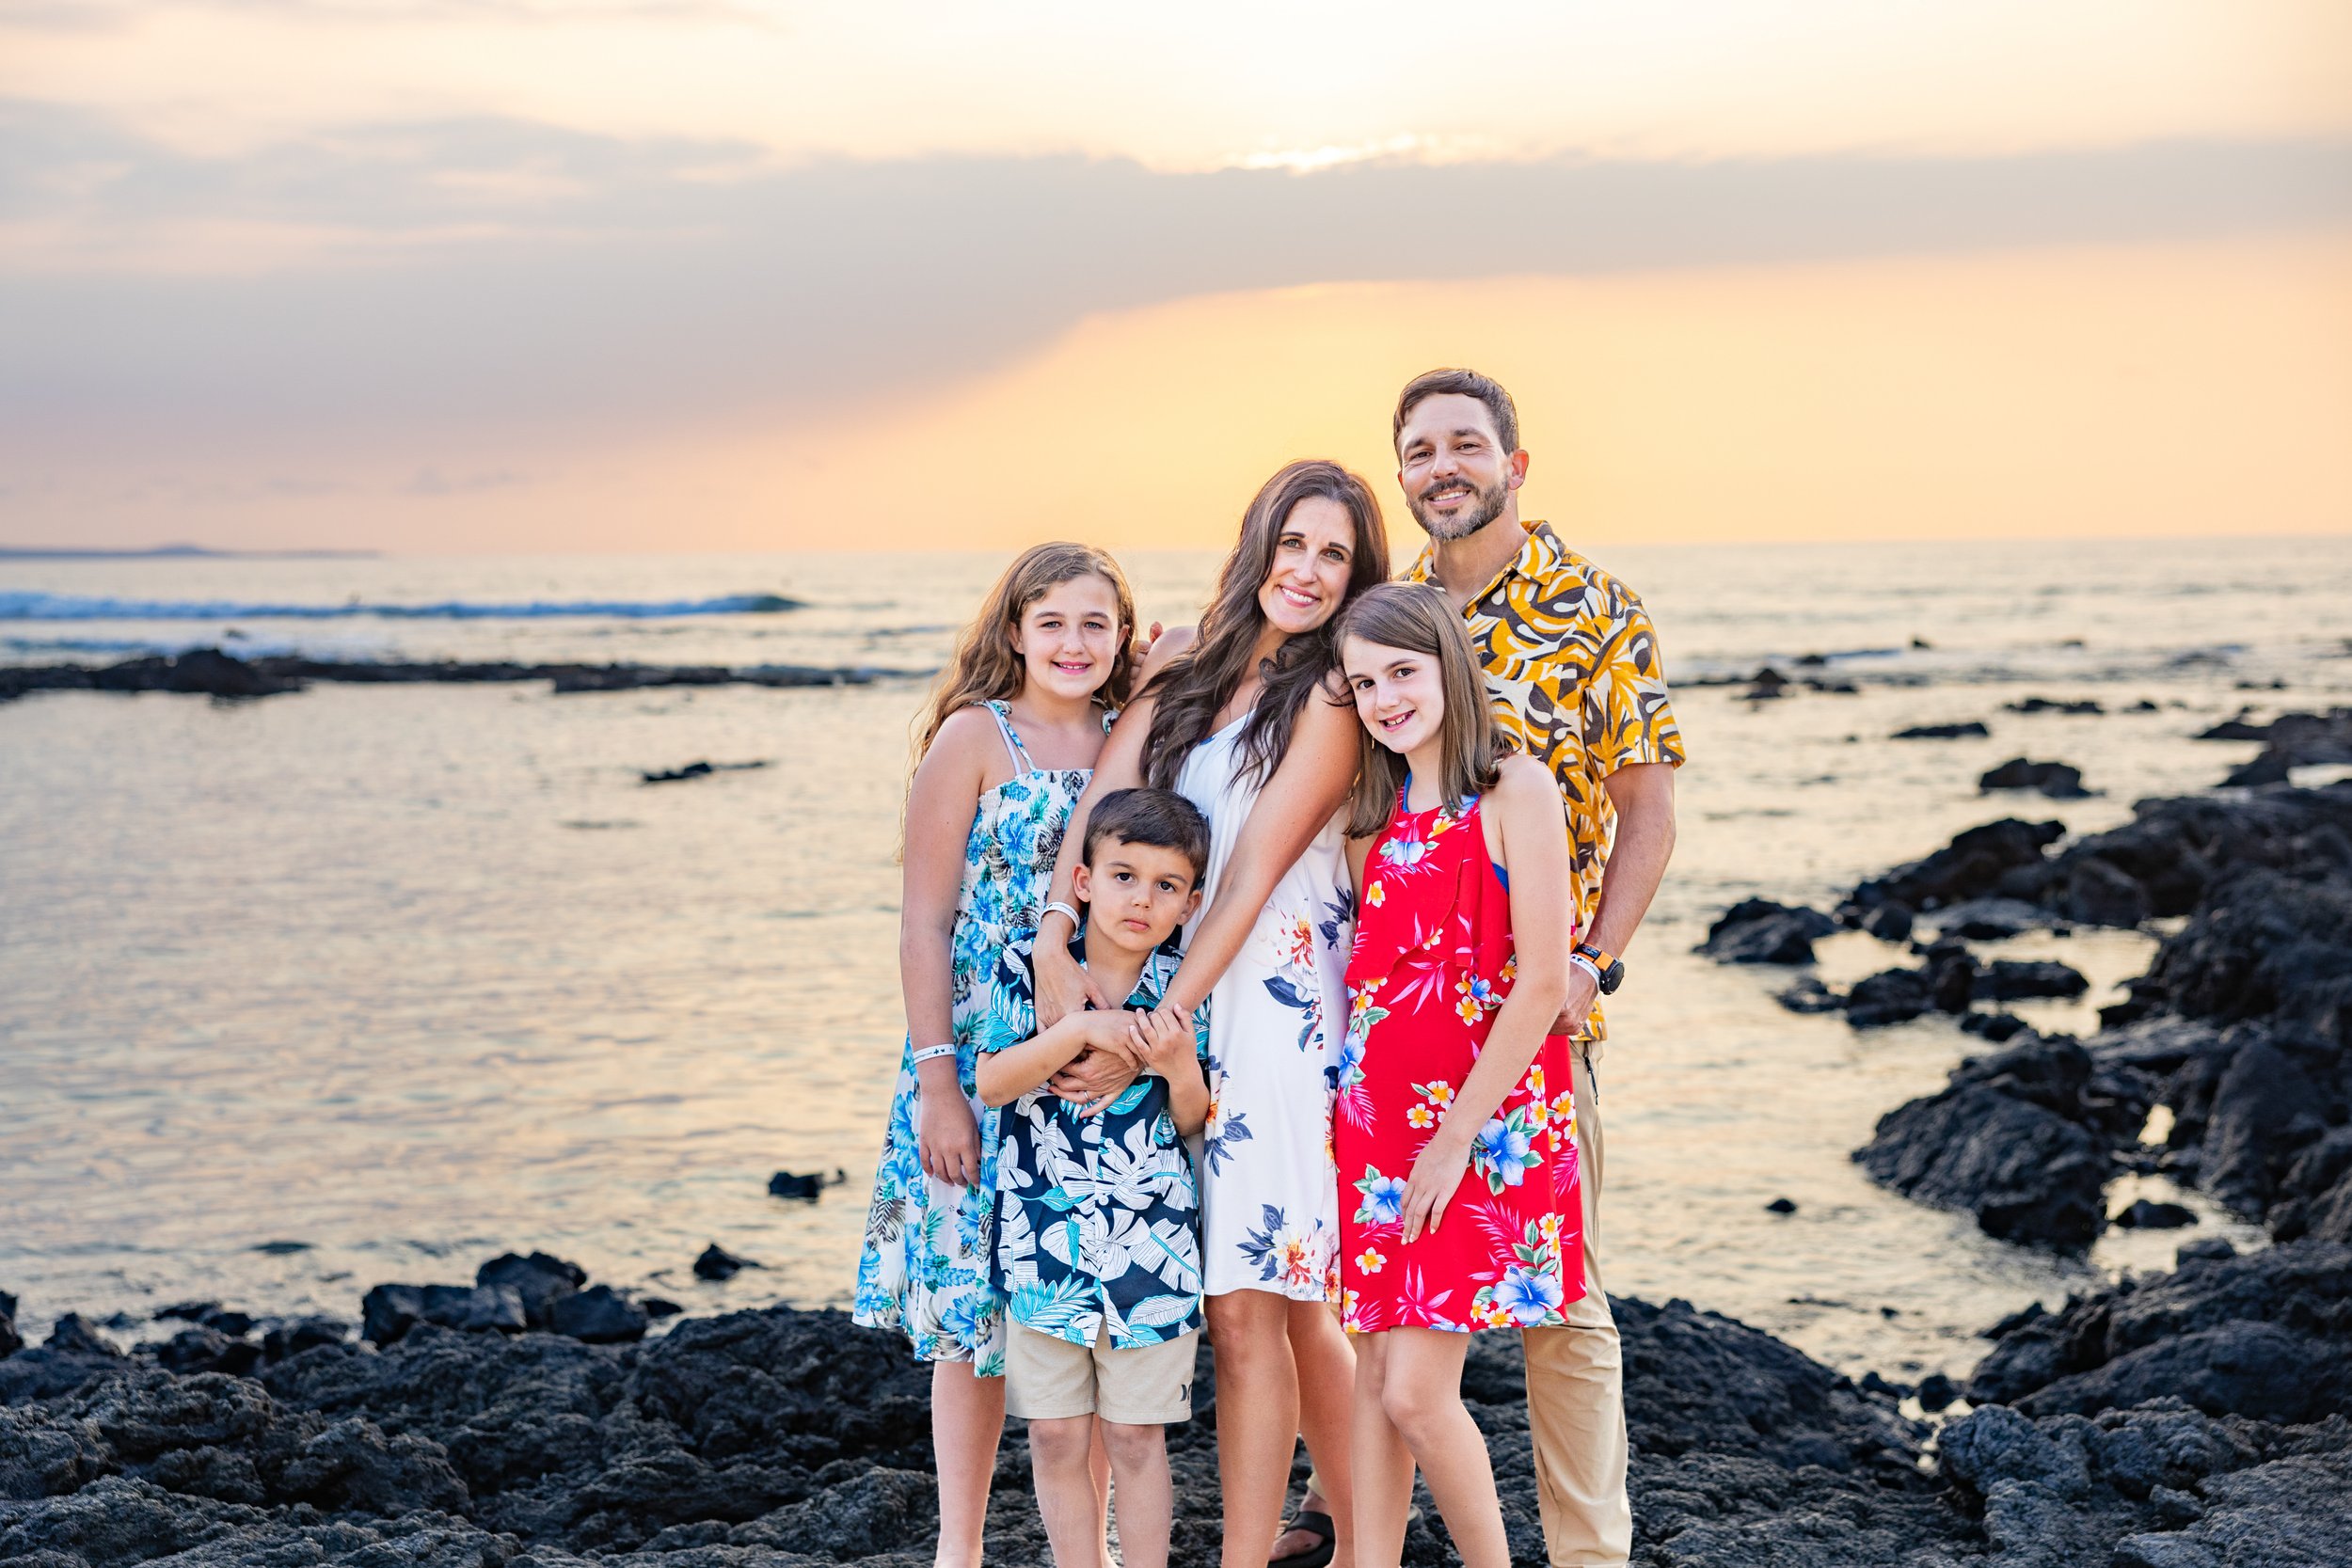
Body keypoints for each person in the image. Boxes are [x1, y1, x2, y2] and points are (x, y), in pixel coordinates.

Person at [1034, 459, 1391, 1568]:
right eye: (1292, 542)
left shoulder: (1333, 695)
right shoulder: (1186, 666)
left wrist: (1150, 1021)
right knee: (1281, 1306)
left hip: (1271, 1007)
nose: (1307, 570)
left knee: (1251, 1300)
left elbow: (1248, 876)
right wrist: (1058, 948)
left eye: (1333, 553)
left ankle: (1262, 1556)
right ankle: (1356, 1535)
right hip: (1165, 992)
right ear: (1256, 543)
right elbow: (1104, 806)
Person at [1392, 368, 1682, 1568]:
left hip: (1536, 1015)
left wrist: (1592, 963)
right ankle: (1347, 1509)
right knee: (1383, 1272)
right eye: (1419, 450)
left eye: (1466, 443)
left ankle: (1588, 1551)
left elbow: (1647, 810)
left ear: (1516, 463)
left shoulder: (1598, 606)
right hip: (1394, 1013)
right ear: (1402, 476)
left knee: (1559, 1297)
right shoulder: (1386, 611)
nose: (1442, 465)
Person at [852, 542, 1140, 1568]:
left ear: (1122, 635)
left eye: (1095, 622)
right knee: (971, 1314)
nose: (1073, 641)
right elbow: (923, 922)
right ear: (1013, 628)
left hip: (1093, 1066)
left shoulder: (1131, 734)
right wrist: (938, 1082)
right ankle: (959, 1547)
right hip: (978, 1053)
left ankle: (1093, 1544)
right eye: (1051, 620)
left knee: (1087, 1309)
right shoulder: (974, 739)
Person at [1328, 582, 1581, 1568]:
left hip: (1477, 1124)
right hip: (1375, 1124)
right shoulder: (1372, 811)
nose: (1388, 697)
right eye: (1365, 683)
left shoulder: (1513, 786)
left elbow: (1543, 981)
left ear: (1445, 665)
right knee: (1374, 1376)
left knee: (1414, 1393)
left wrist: (1451, 1138)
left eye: (1402, 671)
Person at [975, 786, 1216, 1568]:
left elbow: (1192, 1123)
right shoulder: (1027, 962)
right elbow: (992, 1080)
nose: (1141, 899)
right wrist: (1078, 1028)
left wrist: (1178, 1066)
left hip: (1152, 1250)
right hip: (1040, 1245)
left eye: (1165, 885)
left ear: (1191, 900)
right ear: (1082, 882)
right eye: (1122, 875)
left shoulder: (1188, 987)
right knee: (1053, 1432)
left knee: (1137, 1436)